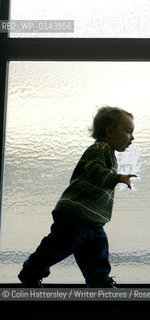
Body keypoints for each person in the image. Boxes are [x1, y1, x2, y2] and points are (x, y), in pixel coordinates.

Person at [18, 106, 137, 288]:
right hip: (76, 214)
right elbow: (95, 171)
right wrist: (117, 178)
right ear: (110, 132)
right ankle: (31, 272)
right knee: (60, 244)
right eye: (128, 131)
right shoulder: (100, 148)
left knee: (97, 251)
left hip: (92, 219)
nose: (132, 137)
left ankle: (99, 283)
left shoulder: (108, 153)